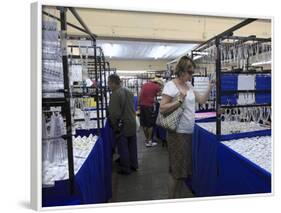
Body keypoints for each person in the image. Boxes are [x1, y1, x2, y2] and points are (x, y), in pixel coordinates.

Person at [159, 56, 215, 198]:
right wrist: (178, 100)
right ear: (182, 70)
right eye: (190, 72)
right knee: (176, 171)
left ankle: (176, 199)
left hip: (190, 132)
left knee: (182, 171)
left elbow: (201, 100)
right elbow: (162, 108)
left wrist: (210, 85)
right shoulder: (170, 85)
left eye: (192, 72)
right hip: (177, 134)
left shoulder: (189, 85)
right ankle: (170, 201)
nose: (191, 75)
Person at [107, 74, 138, 175]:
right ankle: (134, 164)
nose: (108, 85)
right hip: (132, 122)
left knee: (123, 147)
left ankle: (126, 168)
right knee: (132, 146)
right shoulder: (128, 91)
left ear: (112, 82)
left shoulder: (115, 94)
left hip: (123, 124)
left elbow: (114, 113)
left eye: (109, 83)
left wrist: (114, 124)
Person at [138, 77, 163, 147]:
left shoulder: (145, 84)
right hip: (149, 107)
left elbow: (140, 95)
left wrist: (139, 105)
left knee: (144, 124)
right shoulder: (157, 86)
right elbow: (160, 95)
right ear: (158, 83)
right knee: (150, 125)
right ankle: (149, 141)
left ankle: (147, 139)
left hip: (142, 106)